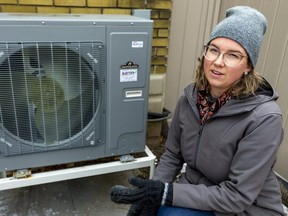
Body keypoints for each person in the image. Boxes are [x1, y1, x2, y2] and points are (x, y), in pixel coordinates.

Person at [110, 6, 286, 216]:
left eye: (233, 55)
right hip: (196, 193)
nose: (218, 62)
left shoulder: (264, 118)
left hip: (244, 209)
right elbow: (173, 155)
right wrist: (151, 193)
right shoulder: (191, 98)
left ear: (248, 65)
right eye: (213, 50)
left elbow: (237, 196)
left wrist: (166, 193)